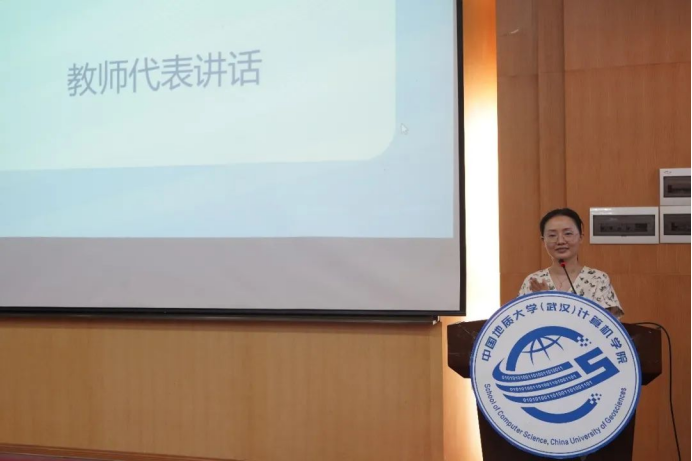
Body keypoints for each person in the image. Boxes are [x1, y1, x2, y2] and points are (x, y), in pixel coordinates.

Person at [519, 208, 624, 318]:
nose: (560, 241)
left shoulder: (597, 279)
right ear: (543, 241)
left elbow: (607, 325)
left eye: (568, 233)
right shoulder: (534, 281)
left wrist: (549, 300)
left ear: (581, 237)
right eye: (552, 235)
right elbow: (520, 322)